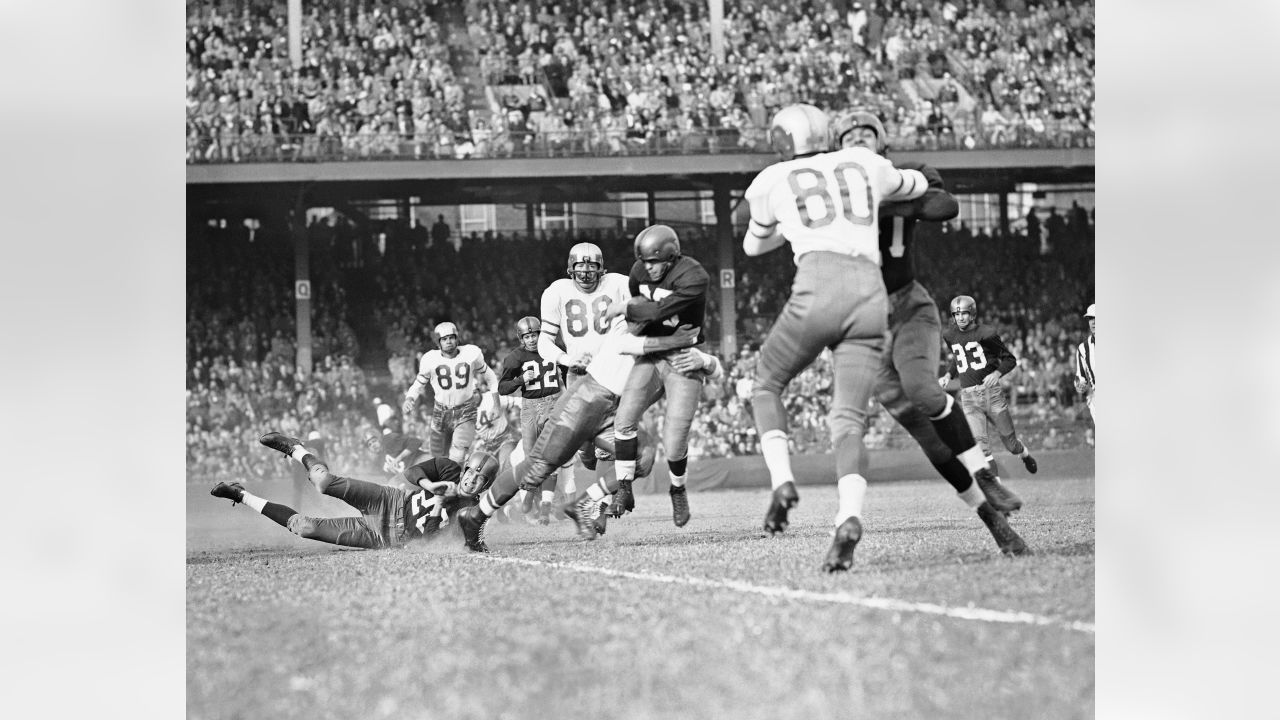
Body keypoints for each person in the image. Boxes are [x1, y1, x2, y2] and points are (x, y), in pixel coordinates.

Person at [832, 110, 1029, 556]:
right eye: (849, 136)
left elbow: (944, 206)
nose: (859, 139)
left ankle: (985, 474)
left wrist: (881, 198)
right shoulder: (830, 188)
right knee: (924, 432)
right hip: (860, 320)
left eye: (867, 134)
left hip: (906, 304)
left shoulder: (910, 173)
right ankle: (995, 523)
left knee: (924, 389)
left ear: (882, 144)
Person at [742, 102, 929, 572]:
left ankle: (782, 482)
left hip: (817, 286)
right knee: (849, 419)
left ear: (781, 142)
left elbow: (753, 245)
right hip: (871, 294)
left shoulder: (768, 181)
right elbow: (920, 185)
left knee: (765, 384)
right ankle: (848, 517)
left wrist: (793, 221)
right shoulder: (866, 162)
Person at [456, 314, 708, 552]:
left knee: (643, 456)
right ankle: (476, 516)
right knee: (536, 467)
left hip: (613, 416)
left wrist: (703, 363)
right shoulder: (635, 333)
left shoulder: (674, 363)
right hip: (582, 405)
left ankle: (584, 503)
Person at [210, 432, 499, 549]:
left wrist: (438, 503)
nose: (471, 479)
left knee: (305, 528)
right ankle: (297, 449)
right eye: (471, 471)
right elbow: (412, 473)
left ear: (484, 487)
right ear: (465, 468)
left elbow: (435, 535)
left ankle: (240, 495)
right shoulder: (449, 469)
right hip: (390, 501)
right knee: (324, 483)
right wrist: (429, 485)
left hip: (383, 537)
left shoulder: (471, 511)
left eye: (479, 479)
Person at [605, 224, 712, 528]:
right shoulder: (638, 271)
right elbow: (642, 313)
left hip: (683, 356)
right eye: (646, 262)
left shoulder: (693, 276)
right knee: (623, 418)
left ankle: (677, 489)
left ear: (671, 257)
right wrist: (633, 318)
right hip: (651, 352)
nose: (648, 268)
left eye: (655, 262)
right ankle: (624, 488)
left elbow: (655, 311)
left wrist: (626, 307)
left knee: (674, 437)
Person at [537, 242, 633, 515]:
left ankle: (602, 504)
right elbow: (545, 342)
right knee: (586, 443)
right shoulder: (557, 291)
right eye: (581, 268)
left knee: (613, 436)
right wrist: (567, 359)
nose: (587, 274)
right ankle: (588, 453)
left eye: (592, 268)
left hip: (612, 371)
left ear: (602, 269)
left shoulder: (617, 283)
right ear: (571, 269)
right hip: (578, 373)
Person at [942, 296, 1039, 481]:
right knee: (980, 445)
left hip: (991, 395)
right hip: (969, 397)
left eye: (964, 313)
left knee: (1011, 444)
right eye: (956, 314)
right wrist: (948, 374)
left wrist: (996, 374)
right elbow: (958, 357)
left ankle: (1024, 454)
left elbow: (1010, 359)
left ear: (972, 313)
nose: (960, 317)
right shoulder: (950, 335)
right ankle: (997, 487)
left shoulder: (986, 333)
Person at [496, 315, 572, 522]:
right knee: (531, 458)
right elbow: (502, 388)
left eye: (534, 335)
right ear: (521, 338)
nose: (531, 339)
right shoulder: (514, 357)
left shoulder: (554, 350)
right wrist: (521, 380)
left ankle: (546, 505)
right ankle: (530, 495)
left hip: (554, 403)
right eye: (527, 336)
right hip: (529, 407)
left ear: (541, 334)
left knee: (550, 453)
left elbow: (569, 373)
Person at [403, 321, 500, 464]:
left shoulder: (471, 352)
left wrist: (496, 404)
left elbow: (491, 377)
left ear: (457, 338)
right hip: (441, 411)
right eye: (444, 339)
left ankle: (456, 483)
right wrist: (409, 398)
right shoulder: (430, 358)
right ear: (438, 342)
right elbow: (418, 383)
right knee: (437, 457)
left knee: (458, 456)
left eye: (451, 337)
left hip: (466, 409)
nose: (449, 341)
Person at [1074, 303, 1096, 425]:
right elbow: (1080, 377)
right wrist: (1079, 385)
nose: (1093, 322)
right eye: (1090, 319)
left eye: (1096, 318)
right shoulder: (1083, 348)